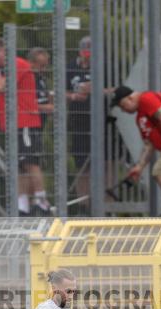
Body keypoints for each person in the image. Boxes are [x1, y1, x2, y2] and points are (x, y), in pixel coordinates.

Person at [0, 40, 48, 216]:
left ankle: (41, 200)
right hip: (11, 124)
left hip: (24, 122)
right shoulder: (4, 70)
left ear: (2, 52)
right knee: (18, 165)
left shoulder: (18, 64)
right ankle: (22, 205)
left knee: (30, 162)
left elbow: (1, 86)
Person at [112, 86, 161, 216]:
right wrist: (139, 167)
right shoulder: (140, 118)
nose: (123, 110)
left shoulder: (146, 98)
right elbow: (149, 145)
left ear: (130, 98)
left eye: (122, 105)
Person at [67, 37, 93, 202]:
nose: (87, 58)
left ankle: (102, 207)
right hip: (77, 121)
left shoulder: (101, 67)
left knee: (101, 165)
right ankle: (83, 205)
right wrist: (74, 96)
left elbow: (115, 89)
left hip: (99, 121)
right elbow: (59, 91)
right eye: (85, 54)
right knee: (81, 165)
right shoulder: (70, 67)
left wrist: (95, 89)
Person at [28, 47, 54, 128]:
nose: (44, 69)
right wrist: (45, 107)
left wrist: (50, 99)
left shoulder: (41, 78)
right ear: (31, 63)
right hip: (30, 123)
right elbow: (24, 104)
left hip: (41, 123)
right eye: (41, 66)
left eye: (45, 66)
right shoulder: (28, 79)